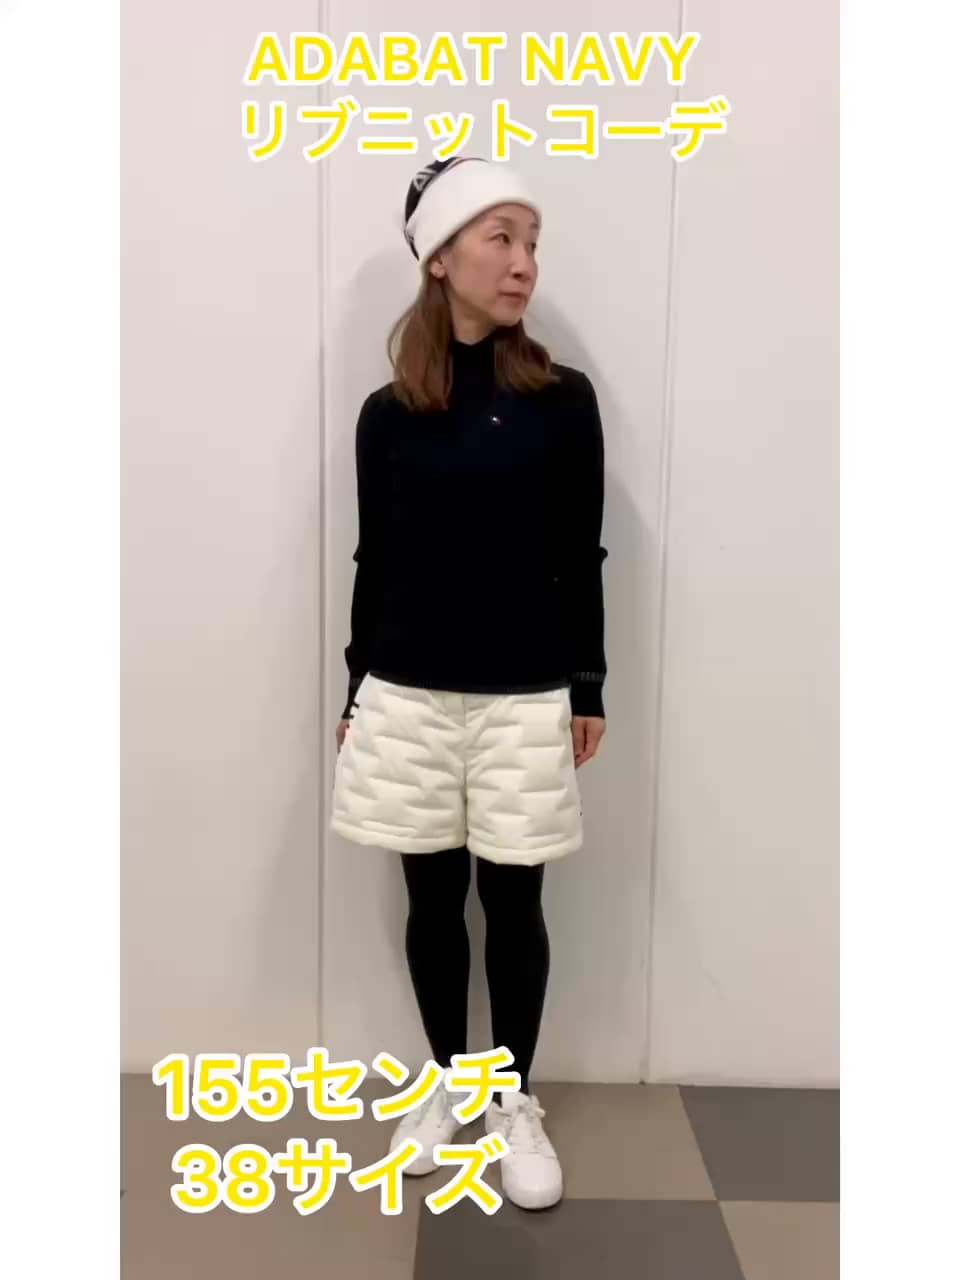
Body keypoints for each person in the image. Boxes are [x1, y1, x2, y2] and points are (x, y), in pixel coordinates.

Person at [330, 155, 609, 1211]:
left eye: (532, 242)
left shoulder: (562, 403)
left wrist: (587, 682)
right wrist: (356, 691)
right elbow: (376, 561)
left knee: (515, 897)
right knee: (432, 897)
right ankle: (449, 1081)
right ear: (440, 258)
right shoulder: (387, 415)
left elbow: (579, 554)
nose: (524, 262)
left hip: (523, 692)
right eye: (501, 239)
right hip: (407, 693)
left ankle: (511, 1098)